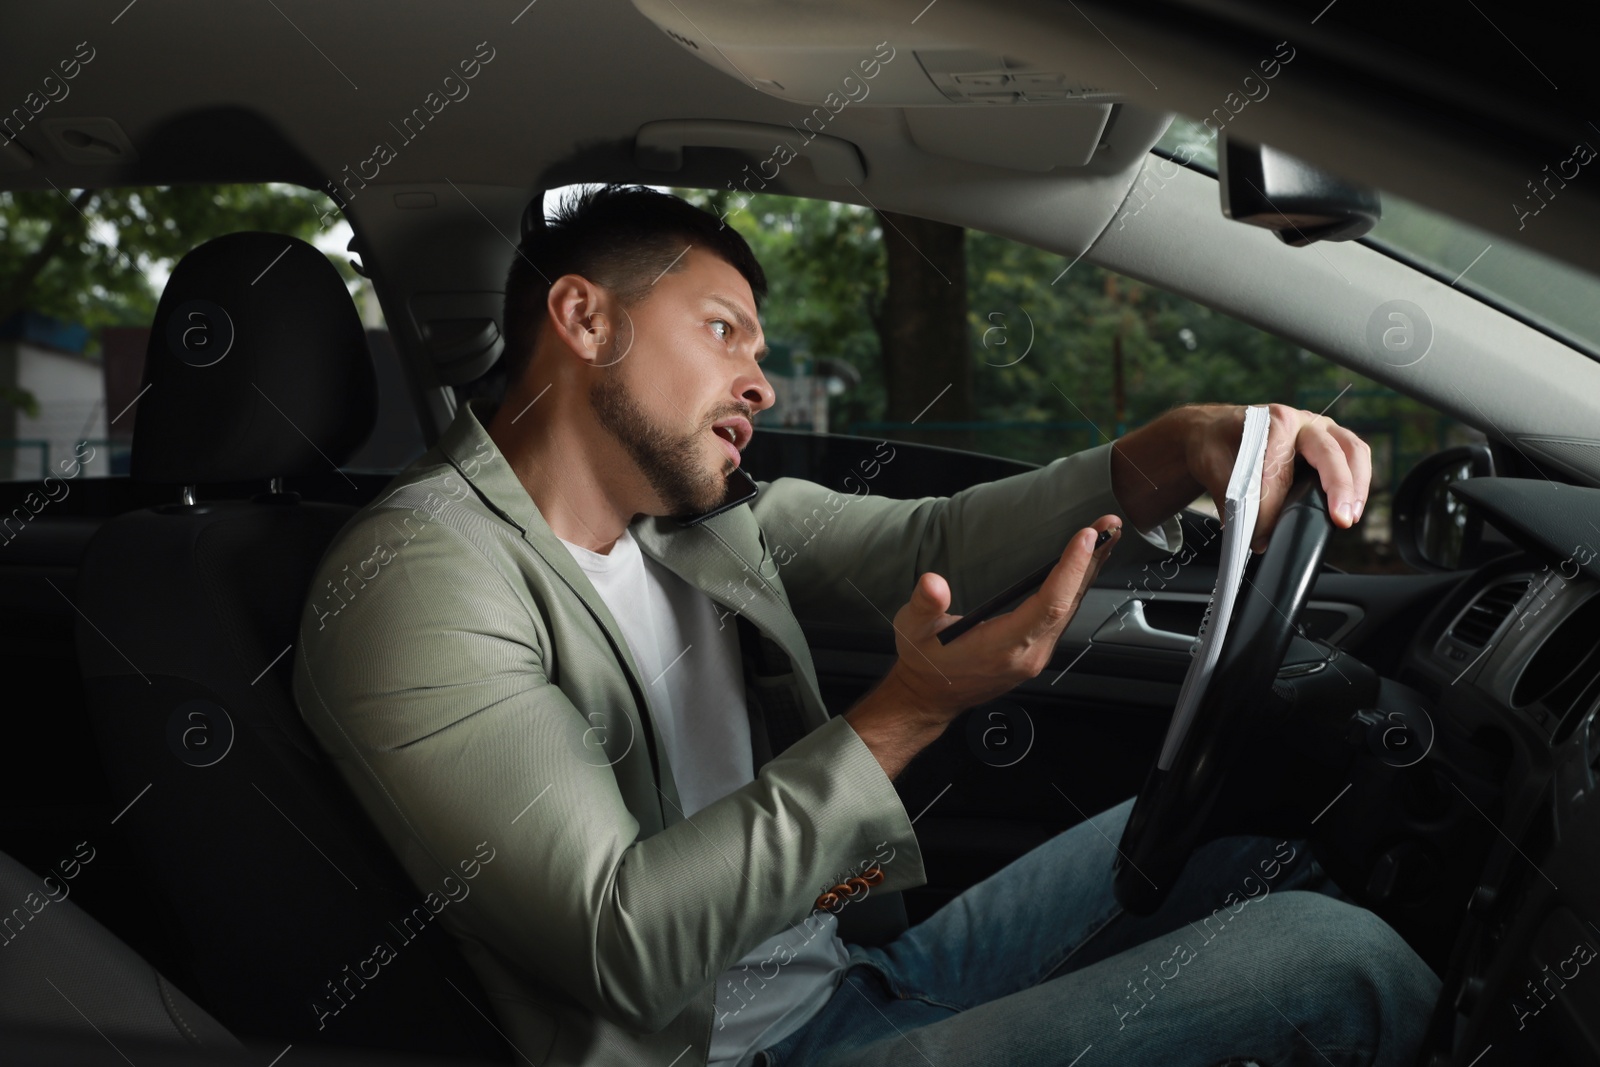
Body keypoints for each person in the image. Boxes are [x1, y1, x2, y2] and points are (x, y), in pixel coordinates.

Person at [292, 184, 1439, 1067]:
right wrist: (910, 712)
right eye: (723, 329)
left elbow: (932, 543)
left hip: (846, 976)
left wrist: (1175, 448)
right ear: (585, 318)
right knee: (1340, 964)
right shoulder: (422, 574)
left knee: (1250, 851)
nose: (761, 381)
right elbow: (619, 942)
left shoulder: (682, 525)